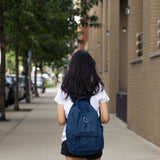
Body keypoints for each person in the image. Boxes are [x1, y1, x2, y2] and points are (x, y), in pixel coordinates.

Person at [54, 50, 110, 160]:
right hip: (93, 141)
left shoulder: (64, 89)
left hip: (71, 141)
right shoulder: (98, 88)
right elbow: (105, 118)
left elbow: (61, 121)